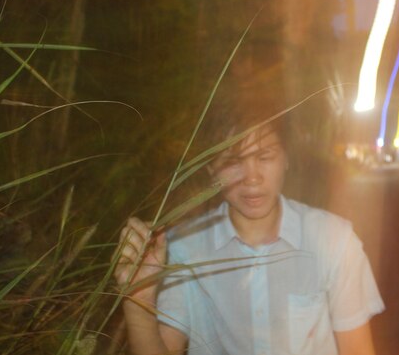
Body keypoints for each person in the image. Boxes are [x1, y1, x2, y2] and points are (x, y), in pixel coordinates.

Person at [114, 94, 385, 355]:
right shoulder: (184, 248)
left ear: (286, 158)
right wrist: (138, 299)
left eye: (265, 157)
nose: (251, 178)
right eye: (233, 161)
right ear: (211, 168)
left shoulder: (334, 240)